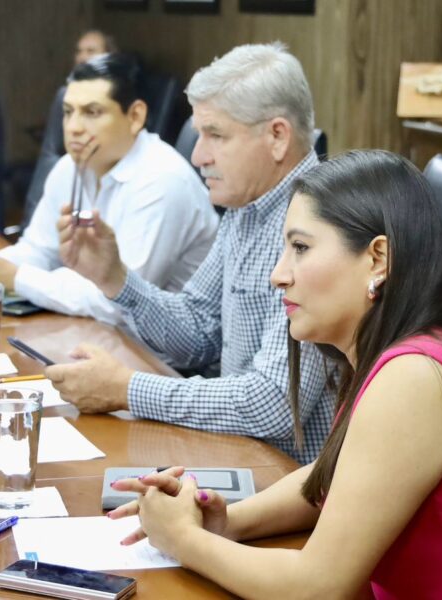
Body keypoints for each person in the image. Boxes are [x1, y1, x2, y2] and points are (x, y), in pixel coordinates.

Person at [110, 150, 442, 599]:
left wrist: (183, 538)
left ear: (377, 259)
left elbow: (317, 589)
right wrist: (226, 522)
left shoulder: (416, 378)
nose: (279, 273)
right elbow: (346, 473)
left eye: (301, 247)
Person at [44, 43, 335, 464]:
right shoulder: (246, 209)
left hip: (291, 479)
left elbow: (273, 403)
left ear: (277, 137)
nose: (198, 156)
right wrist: (115, 279)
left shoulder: (320, 226)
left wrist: (126, 389)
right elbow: (198, 332)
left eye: (215, 135)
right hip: (237, 453)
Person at [0, 53, 216, 326]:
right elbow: (40, 250)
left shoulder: (163, 181)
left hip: (155, 346)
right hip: (92, 329)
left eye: (92, 112)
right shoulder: (70, 168)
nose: (74, 128)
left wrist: (15, 278)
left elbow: (118, 301)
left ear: (135, 116)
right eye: (68, 112)